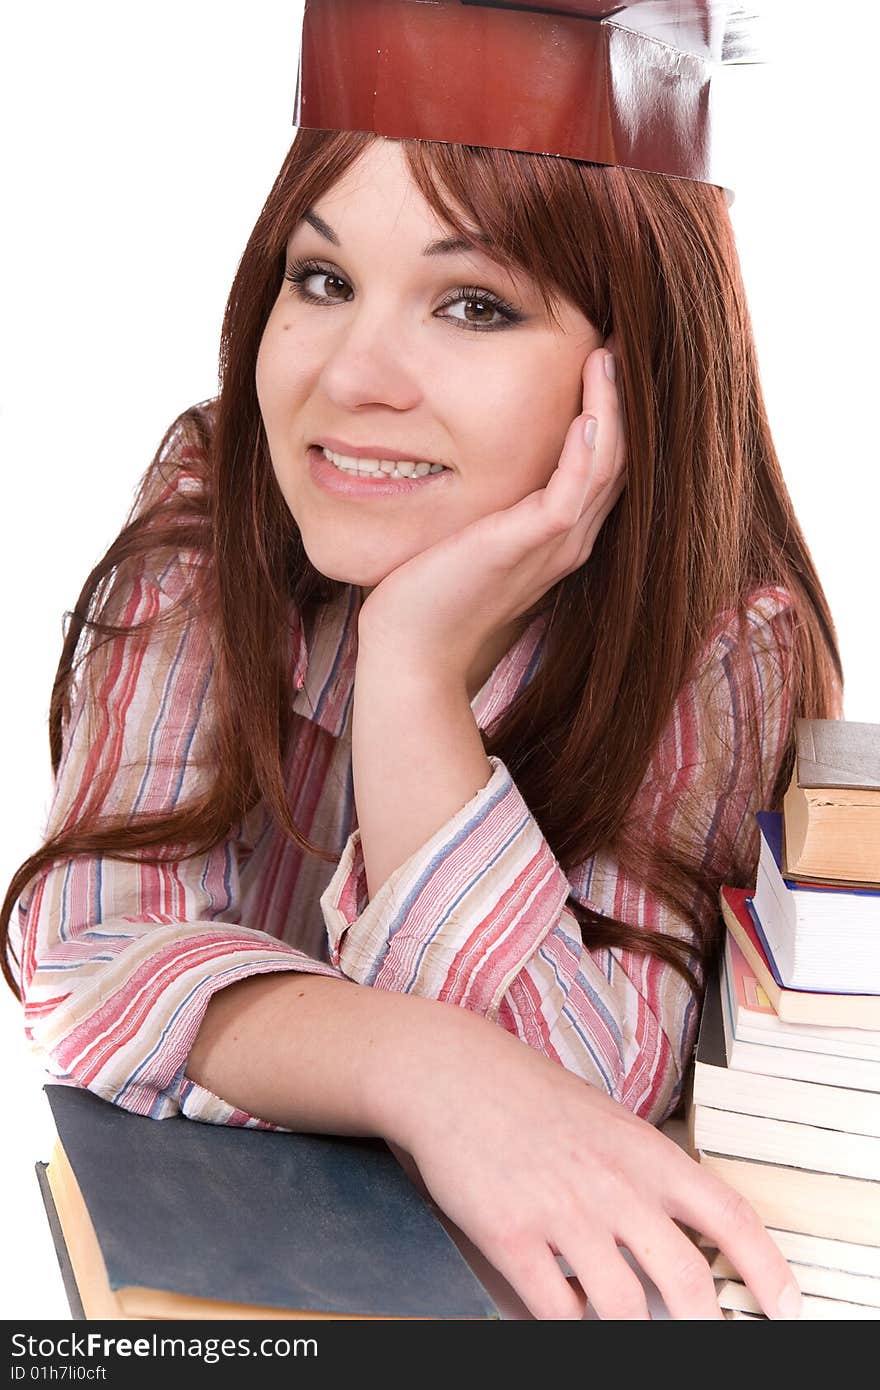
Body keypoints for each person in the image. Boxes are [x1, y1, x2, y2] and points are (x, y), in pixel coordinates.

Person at [0, 3, 841, 1321]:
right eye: (322, 279)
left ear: (631, 370)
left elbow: (583, 1081)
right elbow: (89, 953)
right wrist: (419, 1067)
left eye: (471, 303)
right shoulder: (210, 523)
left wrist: (408, 671)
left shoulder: (722, 643)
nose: (354, 373)